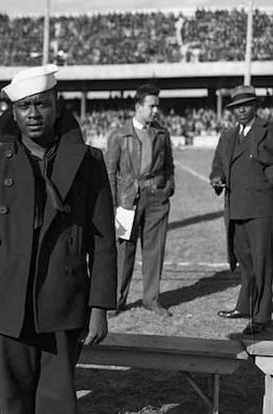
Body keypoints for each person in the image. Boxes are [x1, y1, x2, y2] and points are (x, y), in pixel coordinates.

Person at [0, 64, 117, 414]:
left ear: (57, 105)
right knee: (13, 402)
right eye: (24, 106)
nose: (33, 114)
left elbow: (103, 241)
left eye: (41, 104)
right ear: (14, 114)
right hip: (8, 303)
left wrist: (99, 309)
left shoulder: (89, 161)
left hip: (64, 302)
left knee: (57, 403)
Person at [105, 83, 175, 317]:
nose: (156, 110)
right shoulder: (118, 135)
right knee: (123, 251)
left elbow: (169, 166)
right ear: (138, 106)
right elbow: (109, 172)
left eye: (157, 106)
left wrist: (167, 188)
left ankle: (151, 299)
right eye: (151, 105)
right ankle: (116, 300)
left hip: (156, 198)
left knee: (154, 251)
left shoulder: (162, 134)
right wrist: (114, 204)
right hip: (127, 200)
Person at [211, 85, 273, 335]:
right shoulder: (227, 136)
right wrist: (216, 178)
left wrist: (268, 180)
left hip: (261, 207)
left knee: (262, 263)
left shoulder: (268, 131)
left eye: (246, 104)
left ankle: (261, 315)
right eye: (237, 107)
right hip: (235, 207)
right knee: (245, 262)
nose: (241, 110)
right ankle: (245, 306)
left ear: (256, 106)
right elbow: (217, 165)